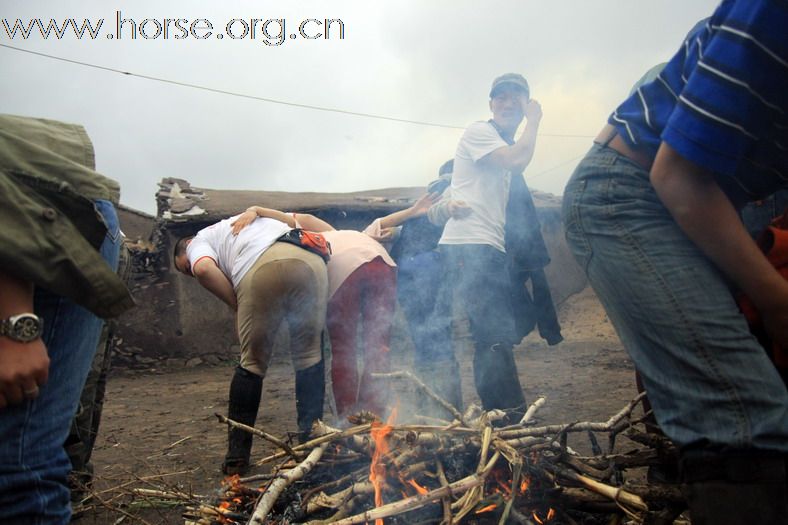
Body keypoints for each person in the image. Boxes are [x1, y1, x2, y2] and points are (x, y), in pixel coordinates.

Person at [561, 2, 788, 522]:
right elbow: (678, 178)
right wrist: (777, 303)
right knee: (741, 412)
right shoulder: (770, 13)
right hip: (630, 197)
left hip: (715, 206)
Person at [0, 114, 134, 524]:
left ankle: (68, 475)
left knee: (15, 461)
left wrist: (16, 323)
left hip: (49, 217)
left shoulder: (205, 254)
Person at [173, 209, 328, 475]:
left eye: (183, 267)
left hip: (259, 267)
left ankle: (237, 459)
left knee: (253, 363)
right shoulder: (245, 221)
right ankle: (310, 448)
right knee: (308, 356)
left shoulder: (199, 240)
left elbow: (203, 268)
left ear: (186, 247)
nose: (189, 274)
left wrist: (237, 304)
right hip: (309, 261)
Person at [436, 73, 543, 420]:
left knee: (496, 332)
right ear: (491, 105)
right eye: (501, 97)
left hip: (486, 247)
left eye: (516, 97)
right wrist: (535, 120)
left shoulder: (500, 144)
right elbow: (517, 160)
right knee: (492, 334)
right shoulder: (479, 132)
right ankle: (506, 415)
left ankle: (502, 413)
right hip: (470, 246)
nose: (508, 103)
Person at [232, 207, 399, 420]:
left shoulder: (304, 239)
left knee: (343, 350)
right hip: (382, 263)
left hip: (344, 270)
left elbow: (300, 219)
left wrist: (256, 209)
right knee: (379, 347)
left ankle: (350, 422)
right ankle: (375, 418)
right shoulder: (352, 233)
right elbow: (389, 219)